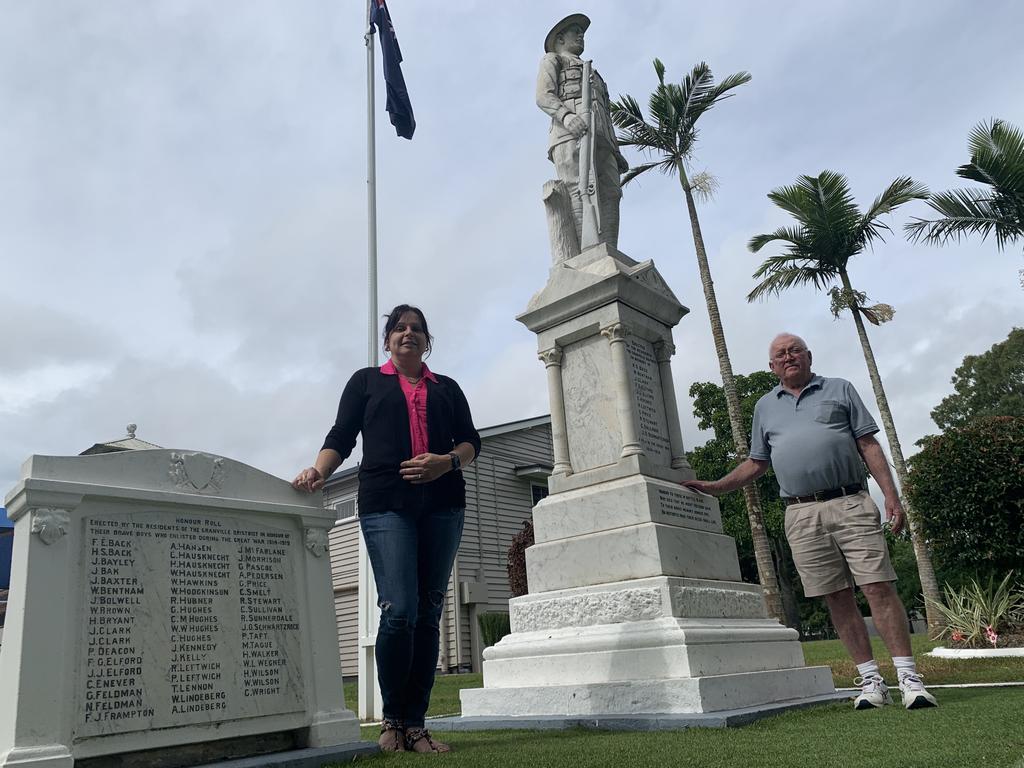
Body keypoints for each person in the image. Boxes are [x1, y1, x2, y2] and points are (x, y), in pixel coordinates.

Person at [684, 333, 938, 711]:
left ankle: (909, 678)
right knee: (835, 595)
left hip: (850, 500)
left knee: (877, 586)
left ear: (808, 356)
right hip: (800, 513)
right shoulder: (764, 407)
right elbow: (757, 462)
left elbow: (868, 443)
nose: (788, 357)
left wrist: (891, 495)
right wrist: (717, 486)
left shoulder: (839, 389)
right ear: (772, 367)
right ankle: (871, 680)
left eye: (794, 351)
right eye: (780, 355)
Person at [293, 304, 480, 752]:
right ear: (388, 340)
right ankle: (392, 719)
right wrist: (319, 471)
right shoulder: (365, 383)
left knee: (429, 611)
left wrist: (446, 462)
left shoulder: (448, 389)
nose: (408, 334)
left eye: (416, 329)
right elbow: (341, 435)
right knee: (399, 609)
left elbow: (473, 441)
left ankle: (415, 725)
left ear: (426, 340)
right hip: (385, 505)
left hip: (443, 505)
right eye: (399, 328)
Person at [536, 13, 629, 249]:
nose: (581, 35)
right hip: (569, 134)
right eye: (575, 31)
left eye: (582, 32)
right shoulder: (552, 60)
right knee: (577, 189)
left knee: (611, 192)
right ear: (559, 38)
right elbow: (543, 96)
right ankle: (587, 252)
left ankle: (608, 251)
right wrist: (566, 117)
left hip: (602, 139)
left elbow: (605, 111)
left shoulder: (592, 71)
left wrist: (615, 150)